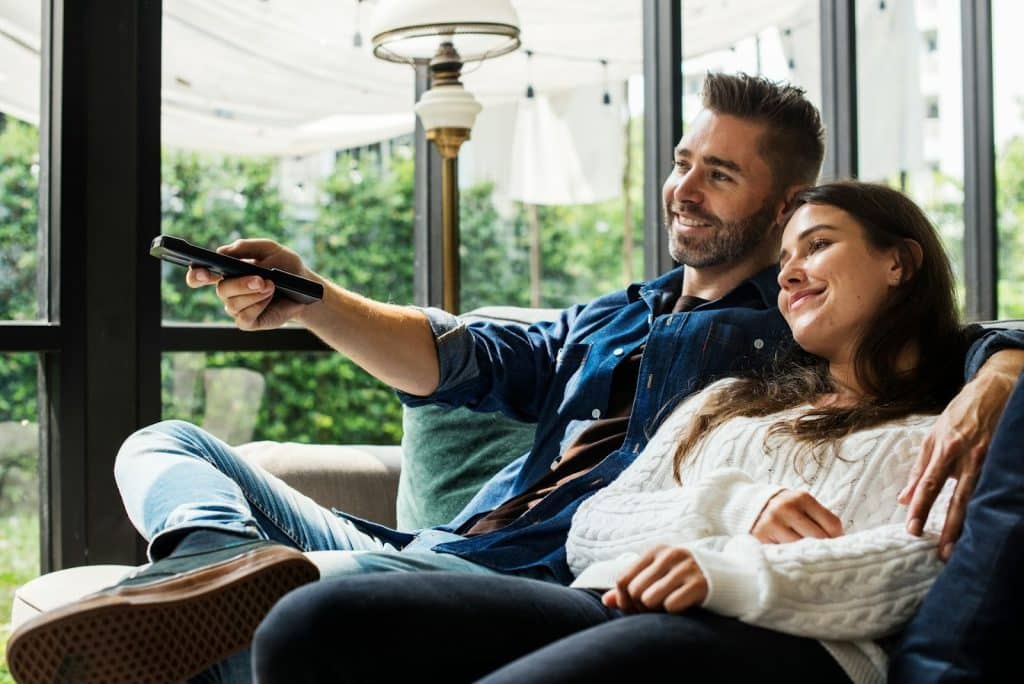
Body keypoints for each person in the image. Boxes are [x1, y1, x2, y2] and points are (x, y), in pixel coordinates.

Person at [5, 74, 1022, 684]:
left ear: (789, 200)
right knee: (162, 444)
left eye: (721, 173)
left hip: (515, 585)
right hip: (430, 548)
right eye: (681, 161)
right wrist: (307, 294)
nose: (684, 188)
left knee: (315, 609)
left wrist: (1001, 366)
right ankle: (205, 565)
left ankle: (202, 610)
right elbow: (467, 360)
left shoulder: (788, 338)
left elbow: (936, 339)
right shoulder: (619, 313)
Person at [249, 181, 998, 684]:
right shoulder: (733, 402)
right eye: (788, 254)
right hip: (611, 597)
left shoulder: (944, 427)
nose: (791, 272)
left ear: (900, 262)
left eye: (820, 245)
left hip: (786, 642)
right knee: (313, 622)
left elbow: (915, 565)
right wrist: (732, 508)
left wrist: (728, 574)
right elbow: (597, 525)